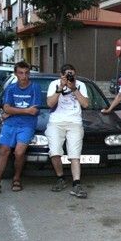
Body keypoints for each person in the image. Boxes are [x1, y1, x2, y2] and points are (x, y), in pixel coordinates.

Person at [0, 61, 42, 197]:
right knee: (3, 150)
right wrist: (24, 110)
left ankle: (17, 178)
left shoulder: (35, 88)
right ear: (16, 74)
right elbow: (7, 108)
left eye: (26, 73)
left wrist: (12, 111)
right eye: (21, 73)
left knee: (19, 152)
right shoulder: (11, 88)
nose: (24, 76)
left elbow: (34, 111)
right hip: (10, 124)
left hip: (27, 125)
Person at [46, 64, 89, 198]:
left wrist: (74, 88)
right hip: (56, 122)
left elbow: (85, 104)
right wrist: (60, 88)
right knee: (54, 151)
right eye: (68, 75)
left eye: (73, 75)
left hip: (75, 122)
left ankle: (76, 183)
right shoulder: (54, 84)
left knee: (75, 154)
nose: (70, 77)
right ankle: (61, 178)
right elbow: (49, 104)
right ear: (62, 75)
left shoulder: (81, 85)